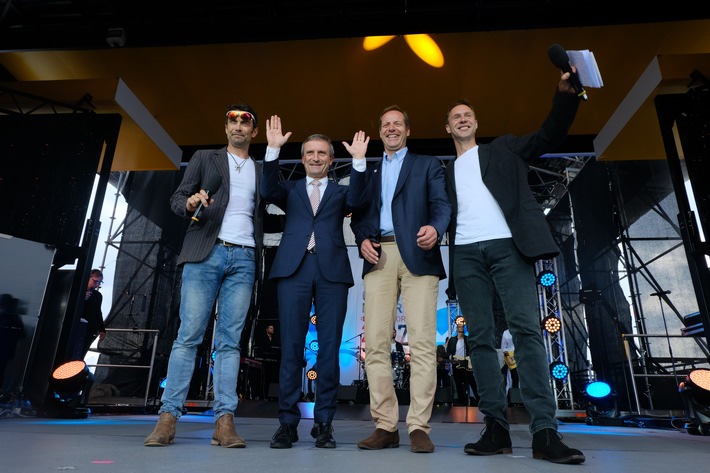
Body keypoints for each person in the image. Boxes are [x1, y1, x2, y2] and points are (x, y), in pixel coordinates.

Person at [443, 69, 585, 464]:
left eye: (468, 114)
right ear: (448, 127)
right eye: (456, 116)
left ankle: (544, 431)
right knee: (480, 340)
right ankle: (496, 427)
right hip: (467, 254)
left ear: (476, 122)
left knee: (525, 330)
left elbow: (548, 135)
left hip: (508, 247)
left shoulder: (503, 148)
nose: (463, 118)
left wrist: (565, 96)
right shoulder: (445, 172)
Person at [144, 103, 263, 448]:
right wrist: (191, 203)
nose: (238, 125)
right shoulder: (205, 157)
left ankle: (224, 421)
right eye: (233, 119)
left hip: (244, 256)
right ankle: (168, 418)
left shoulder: (259, 168)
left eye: (246, 121)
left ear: (253, 131)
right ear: (226, 126)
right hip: (204, 252)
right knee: (189, 336)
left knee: (229, 342)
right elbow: (177, 199)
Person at [260, 115, 368, 449]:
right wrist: (273, 151)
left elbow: (359, 200)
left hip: (331, 271)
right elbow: (267, 189)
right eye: (310, 153)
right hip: (293, 270)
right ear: (303, 157)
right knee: (291, 348)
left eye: (322, 153)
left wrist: (360, 162)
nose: (316, 157)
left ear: (331, 159)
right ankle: (287, 423)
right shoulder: (289, 189)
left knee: (329, 351)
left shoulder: (340, 191)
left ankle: (324, 424)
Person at [350, 105, 451, 453]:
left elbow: (442, 205)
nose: (392, 129)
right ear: (380, 132)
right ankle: (385, 425)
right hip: (379, 256)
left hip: (418, 255)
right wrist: (362, 237)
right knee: (375, 344)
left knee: (422, 343)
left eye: (397, 124)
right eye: (386, 125)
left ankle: (419, 426)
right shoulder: (371, 170)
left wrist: (436, 228)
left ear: (408, 130)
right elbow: (359, 212)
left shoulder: (426, 164)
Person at [71, 269, 106, 361]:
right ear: (88, 278)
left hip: (89, 330)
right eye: (96, 281)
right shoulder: (75, 290)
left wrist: (102, 329)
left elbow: (98, 312)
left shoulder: (97, 296)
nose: (97, 285)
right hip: (74, 327)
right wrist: (82, 299)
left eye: (100, 282)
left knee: (80, 354)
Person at [446, 322, 478, 406]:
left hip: (467, 364)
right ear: (457, 328)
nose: (461, 328)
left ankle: (479, 401)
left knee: (472, 383)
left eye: (462, 327)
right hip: (456, 365)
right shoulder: (452, 340)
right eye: (459, 327)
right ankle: (461, 403)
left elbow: (472, 351)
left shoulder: (467, 339)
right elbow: (448, 352)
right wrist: (441, 356)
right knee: (458, 385)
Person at [500, 328, 519, 396]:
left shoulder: (521, 330)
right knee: (514, 376)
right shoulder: (506, 332)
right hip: (511, 356)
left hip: (520, 354)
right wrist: (508, 356)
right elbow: (503, 347)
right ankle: (514, 396)